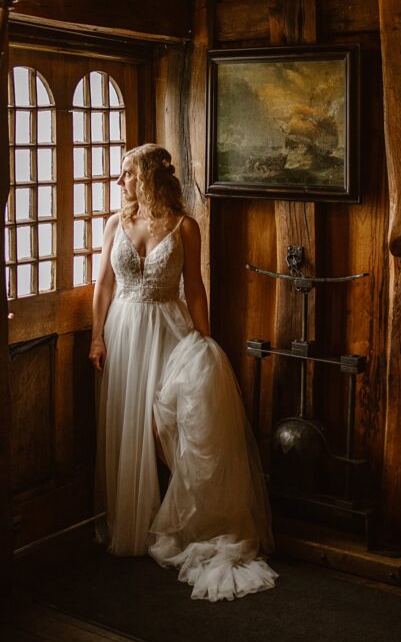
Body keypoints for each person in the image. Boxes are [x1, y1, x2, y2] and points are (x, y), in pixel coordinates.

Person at [89, 143, 277, 601]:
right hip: (124, 330)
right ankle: (134, 522)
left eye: (127, 174)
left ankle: (187, 520)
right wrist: (96, 337)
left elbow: (195, 287)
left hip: (169, 330)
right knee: (128, 426)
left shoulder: (185, 227)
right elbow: (104, 285)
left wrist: (204, 341)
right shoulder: (116, 223)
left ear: (149, 177)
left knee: (170, 426)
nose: (120, 183)